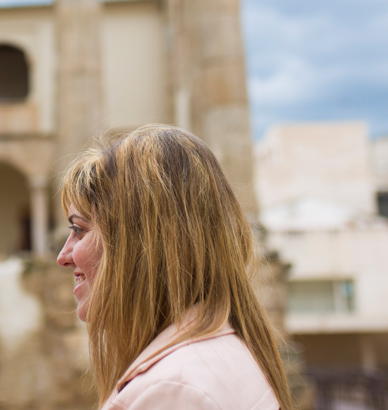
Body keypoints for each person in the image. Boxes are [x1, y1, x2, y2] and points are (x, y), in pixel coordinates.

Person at [57, 124, 293, 410]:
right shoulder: (219, 355)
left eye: (79, 229)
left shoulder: (171, 391)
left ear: (138, 243)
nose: (63, 255)